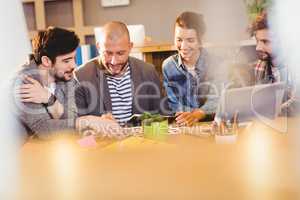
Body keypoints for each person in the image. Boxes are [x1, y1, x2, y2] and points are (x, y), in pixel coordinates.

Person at [13, 27, 121, 139]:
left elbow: (71, 118)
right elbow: (43, 129)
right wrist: (88, 122)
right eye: (66, 61)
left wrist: (50, 99)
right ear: (46, 61)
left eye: (74, 59)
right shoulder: (24, 82)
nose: (74, 65)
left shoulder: (65, 77)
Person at [75, 21, 167, 126]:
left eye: (120, 53)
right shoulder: (81, 77)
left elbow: (161, 120)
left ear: (130, 47)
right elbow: (78, 136)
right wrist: (95, 127)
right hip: (103, 142)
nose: (114, 61)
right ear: (99, 47)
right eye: (108, 53)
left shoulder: (148, 72)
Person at [162, 11, 217, 126]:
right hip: (184, 124)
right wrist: (189, 116)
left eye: (190, 40)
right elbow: (174, 103)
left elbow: (217, 100)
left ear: (201, 40)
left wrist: (197, 114)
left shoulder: (216, 63)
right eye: (179, 40)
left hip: (211, 123)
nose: (183, 47)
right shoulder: (168, 66)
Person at [250, 12, 298, 114]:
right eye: (257, 41)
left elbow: (297, 103)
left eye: (266, 42)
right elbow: (260, 102)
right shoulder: (260, 66)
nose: (258, 47)